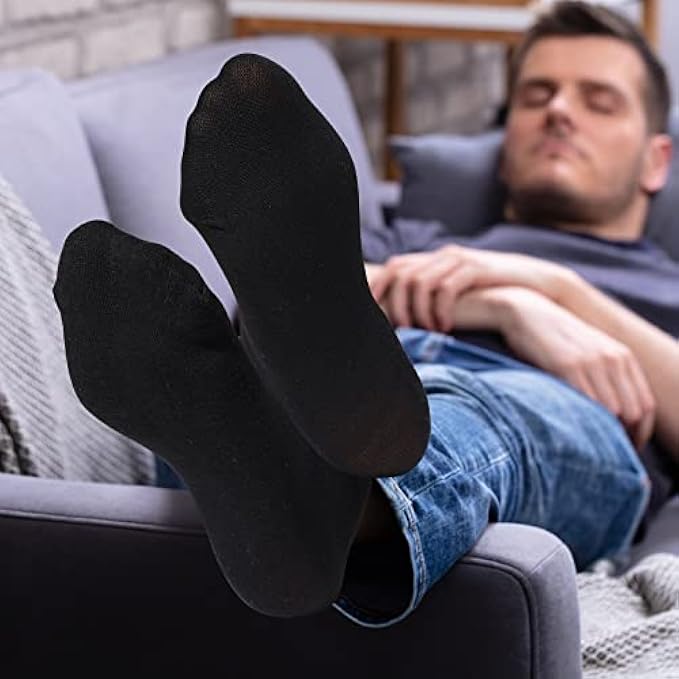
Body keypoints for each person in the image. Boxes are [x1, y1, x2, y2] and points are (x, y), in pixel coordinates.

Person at [52, 1, 679, 628]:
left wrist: (559, 292)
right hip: (362, 378)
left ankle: (313, 503)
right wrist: (504, 304)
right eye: (537, 95)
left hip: (547, 408)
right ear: (505, 138)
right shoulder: (416, 238)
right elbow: (269, 309)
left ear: (657, 160)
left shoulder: (661, 286)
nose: (560, 110)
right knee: (273, 369)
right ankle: (297, 500)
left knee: (480, 414)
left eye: (599, 102)